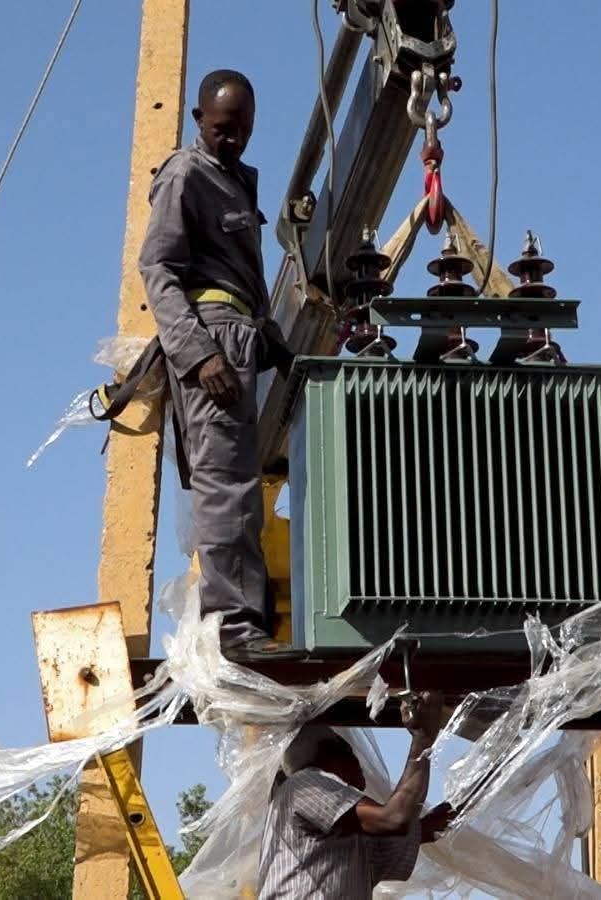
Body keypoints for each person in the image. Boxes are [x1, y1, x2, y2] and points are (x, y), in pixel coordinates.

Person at [138, 68, 297, 662]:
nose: (234, 140)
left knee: (242, 489)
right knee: (226, 486)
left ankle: (243, 618)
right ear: (198, 119)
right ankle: (233, 627)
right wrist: (200, 353)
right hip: (212, 344)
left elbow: (241, 283)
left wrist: (273, 339)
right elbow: (158, 269)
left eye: (244, 130)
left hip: (240, 339)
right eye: (224, 128)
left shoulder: (231, 182)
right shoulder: (186, 174)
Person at [257, 691, 456, 899]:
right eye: (350, 753)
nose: (360, 765)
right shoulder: (303, 785)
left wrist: (472, 797)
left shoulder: (350, 834)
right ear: (327, 754)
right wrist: (422, 741)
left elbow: (415, 829)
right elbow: (394, 818)